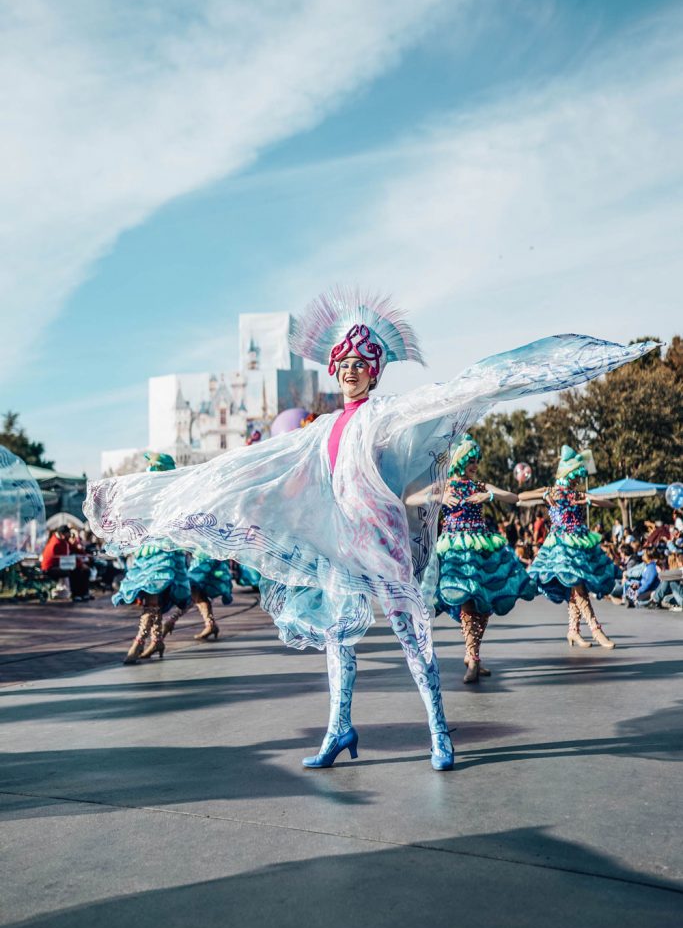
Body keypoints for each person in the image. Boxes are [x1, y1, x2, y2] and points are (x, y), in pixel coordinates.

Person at [85, 290, 656, 769]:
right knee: (338, 636)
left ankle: (439, 729)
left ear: (376, 369)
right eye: (346, 362)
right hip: (337, 543)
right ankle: (339, 729)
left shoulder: (386, 415)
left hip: (378, 539)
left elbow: (459, 391)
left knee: (410, 634)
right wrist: (158, 494)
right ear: (335, 368)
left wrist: (523, 373)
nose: (354, 369)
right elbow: (253, 466)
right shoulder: (323, 427)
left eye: (364, 361)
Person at [432, 434, 534, 683]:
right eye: (471, 460)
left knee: (482, 605)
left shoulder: (479, 486)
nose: (475, 465)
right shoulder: (444, 485)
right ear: (460, 460)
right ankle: (474, 659)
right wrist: (439, 497)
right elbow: (409, 498)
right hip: (455, 549)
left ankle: (472, 655)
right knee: (466, 599)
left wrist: (488, 496)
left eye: (477, 460)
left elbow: (514, 497)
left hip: (481, 547)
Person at [525, 446, 619, 649]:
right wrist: (542, 495)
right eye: (575, 476)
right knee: (578, 585)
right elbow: (521, 496)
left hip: (579, 543)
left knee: (576, 587)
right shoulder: (553, 492)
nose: (577, 480)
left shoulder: (577, 495)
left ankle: (573, 631)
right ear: (568, 474)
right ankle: (596, 629)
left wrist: (589, 499)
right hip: (561, 547)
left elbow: (611, 505)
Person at [112, 453, 192, 664]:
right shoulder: (147, 494)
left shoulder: (175, 496)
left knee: (153, 595)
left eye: (153, 466)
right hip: (147, 552)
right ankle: (156, 640)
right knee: (149, 597)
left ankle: (138, 643)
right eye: (149, 466)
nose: (149, 470)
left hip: (165, 551)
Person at [163, 552, 233, 640]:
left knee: (193, 587)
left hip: (204, 555)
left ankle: (170, 621)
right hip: (201, 555)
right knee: (199, 592)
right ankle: (210, 624)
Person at [41, 524, 92, 601]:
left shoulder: (62, 541)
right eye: (68, 534)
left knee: (85, 571)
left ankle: (84, 593)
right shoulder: (56, 543)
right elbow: (66, 560)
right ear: (62, 534)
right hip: (50, 568)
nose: (70, 536)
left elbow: (73, 550)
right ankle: (76, 595)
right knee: (75, 571)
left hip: (59, 564)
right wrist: (80, 564)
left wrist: (84, 554)